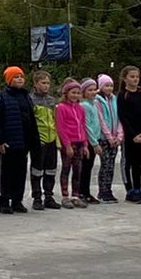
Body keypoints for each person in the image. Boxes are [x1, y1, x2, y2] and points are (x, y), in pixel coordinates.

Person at [0, 66, 38, 213]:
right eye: (16, 77)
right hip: (9, 143)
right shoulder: (2, 97)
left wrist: (34, 140)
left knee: (20, 172)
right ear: (9, 80)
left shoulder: (26, 96)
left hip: (23, 142)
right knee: (7, 173)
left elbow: (31, 119)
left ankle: (17, 200)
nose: (19, 79)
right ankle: (4, 201)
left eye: (21, 77)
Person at [118, 65, 141, 204]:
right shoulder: (123, 95)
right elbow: (123, 117)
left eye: (137, 77)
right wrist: (133, 135)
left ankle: (137, 189)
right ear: (125, 78)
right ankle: (129, 190)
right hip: (129, 135)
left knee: (138, 164)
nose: (135, 79)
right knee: (128, 163)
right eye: (132, 77)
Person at [55, 78, 91, 207]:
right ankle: (65, 196)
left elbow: (82, 126)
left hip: (80, 142)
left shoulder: (80, 108)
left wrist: (85, 145)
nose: (76, 95)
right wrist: (67, 145)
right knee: (66, 169)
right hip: (69, 144)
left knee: (77, 170)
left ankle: (75, 195)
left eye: (78, 93)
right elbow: (61, 127)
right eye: (73, 93)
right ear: (66, 93)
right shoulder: (61, 108)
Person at [29, 70, 61, 209]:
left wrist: (57, 140)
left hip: (51, 139)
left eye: (48, 83)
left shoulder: (51, 101)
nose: (46, 85)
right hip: (39, 141)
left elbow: (56, 121)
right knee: (37, 170)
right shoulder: (30, 100)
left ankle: (49, 196)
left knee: (51, 169)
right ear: (36, 84)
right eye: (43, 83)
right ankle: (37, 197)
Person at [91, 74, 123, 202]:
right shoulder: (97, 101)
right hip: (104, 138)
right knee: (105, 164)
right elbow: (101, 121)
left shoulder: (114, 99)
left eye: (111, 86)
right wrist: (109, 137)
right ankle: (103, 191)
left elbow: (119, 117)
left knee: (111, 166)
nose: (109, 88)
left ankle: (108, 189)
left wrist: (119, 136)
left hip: (115, 138)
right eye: (106, 86)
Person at [78, 77, 105, 203]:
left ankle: (85, 191)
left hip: (95, 139)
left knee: (88, 167)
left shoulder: (94, 104)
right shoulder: (84, 106)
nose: (93, 92)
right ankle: (82, 192)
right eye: (90, 90)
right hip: (88, 142)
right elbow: (87, 125)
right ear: (83, 92)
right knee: (85, 168)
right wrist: (94, 143)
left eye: (95, 89)